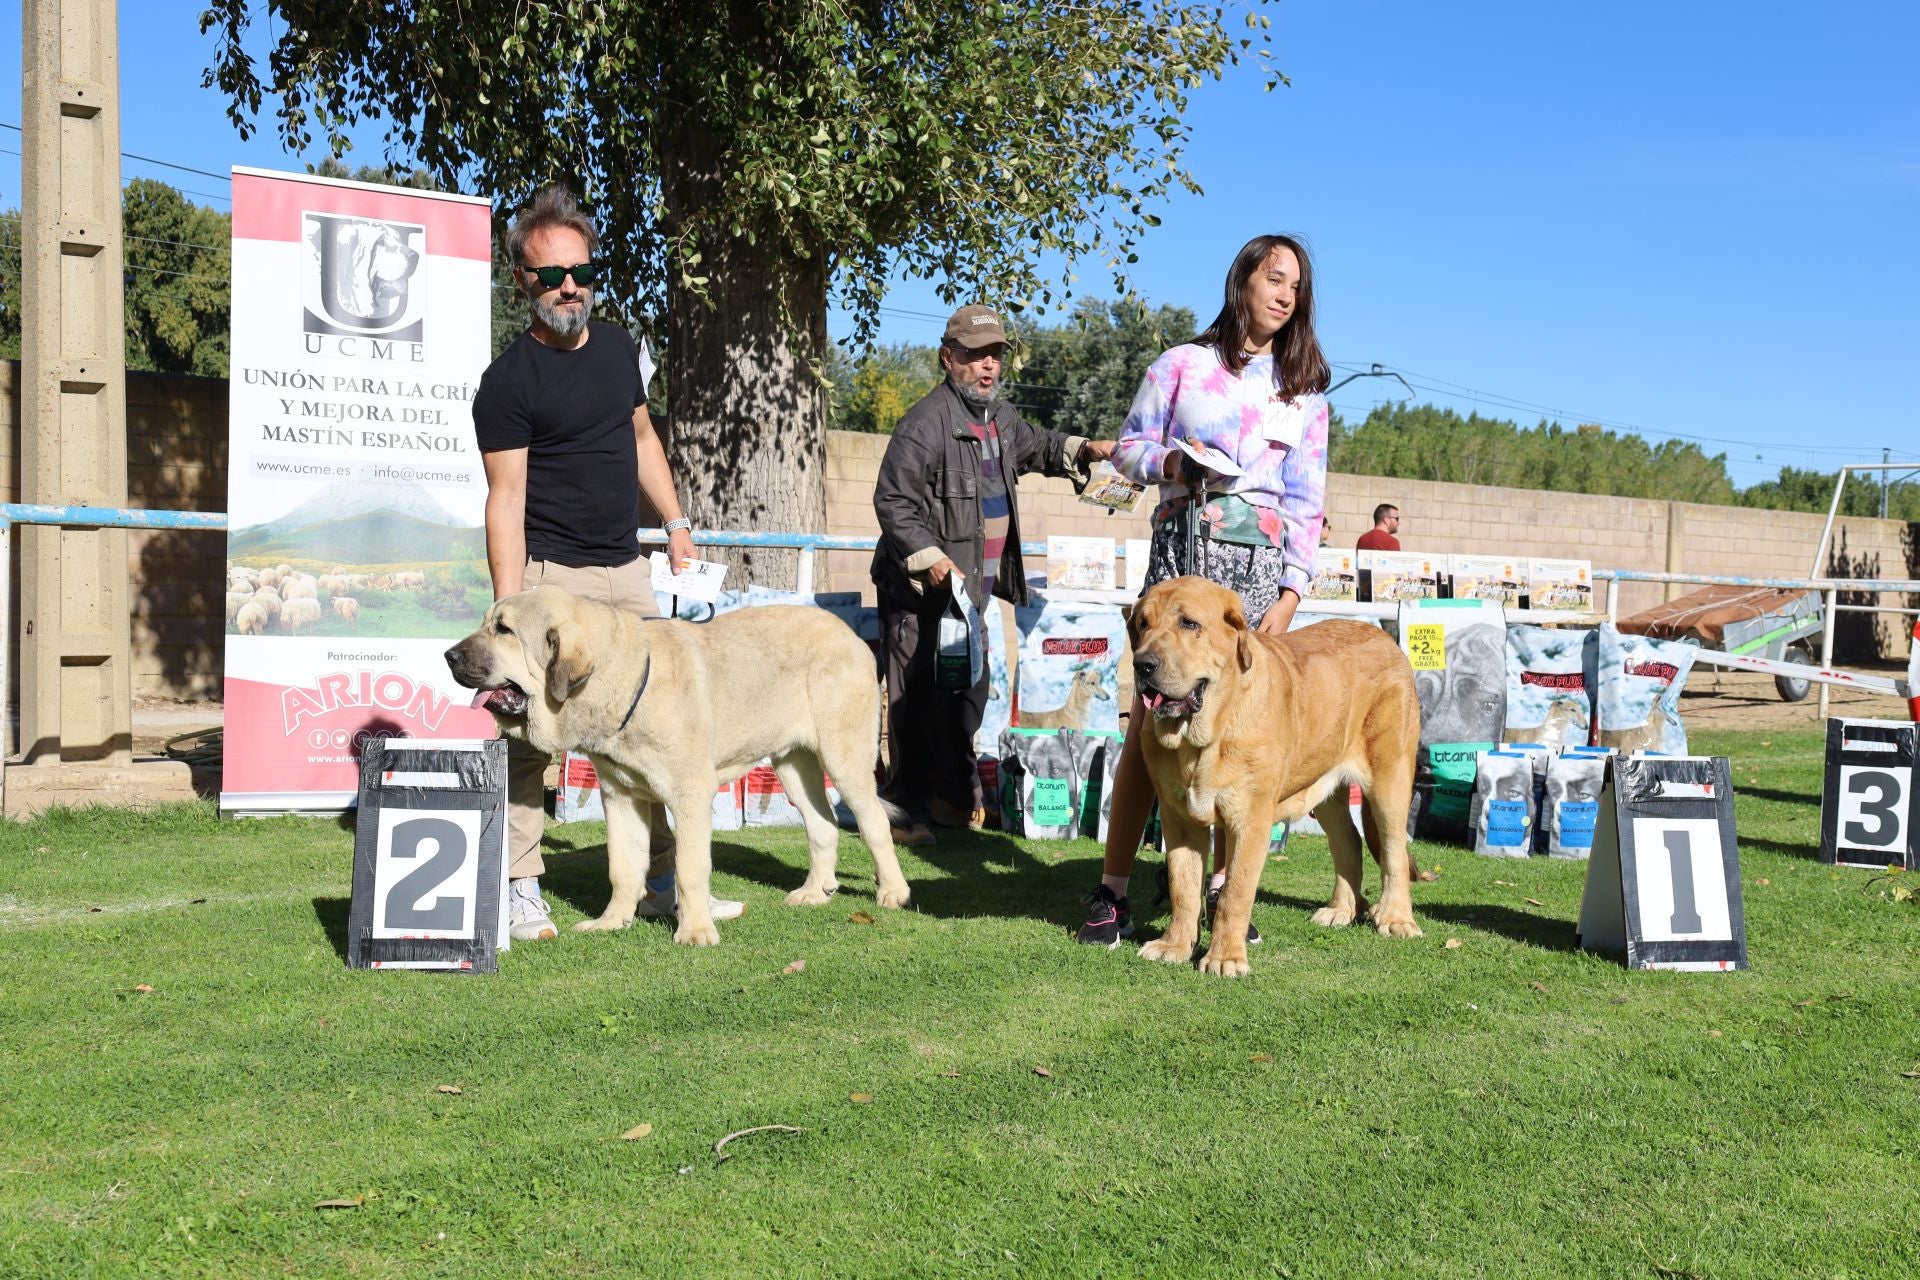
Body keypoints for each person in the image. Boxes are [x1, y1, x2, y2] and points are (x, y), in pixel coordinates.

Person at [471, 185, 744, 941]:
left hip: (627, 573)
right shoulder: (507, 383)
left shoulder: (622, 349)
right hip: (552, 583)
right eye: (552, 275)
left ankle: (666, 883)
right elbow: (505, 500)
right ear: (522, 281)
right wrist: (508, 615)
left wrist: (676, 524)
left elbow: (643, 438)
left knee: (657, 726)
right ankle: (521, 886)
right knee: (528, 740)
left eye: (582, 272)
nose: (570, 287)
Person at [1076, 233, 1331, 947]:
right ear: (1242, 280)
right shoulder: (1181, 366)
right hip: (1181, 560)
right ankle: (1113, 890)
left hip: (1255, 575)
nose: (1285, 295)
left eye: (1296, 286)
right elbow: (1127, 450)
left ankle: (1221, 897)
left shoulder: (1305, 393)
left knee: (1242, 730)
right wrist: (1173, 464)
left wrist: (1291, 593)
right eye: (1274, 278)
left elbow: (1307, 503)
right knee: (1149, 722)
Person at [871, 305, 1114, 846]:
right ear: (948, 358)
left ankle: (954, 802)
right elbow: (893, 501)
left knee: (966, 699)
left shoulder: (1000, 418)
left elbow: (1040, 446)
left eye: (996, 356)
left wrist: (1084, 449)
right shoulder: (924, 424)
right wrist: (930, 556)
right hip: (920, 597)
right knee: (914, 705)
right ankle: (905, 813)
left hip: (968, 598)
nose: (988, 366)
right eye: (976, 355)